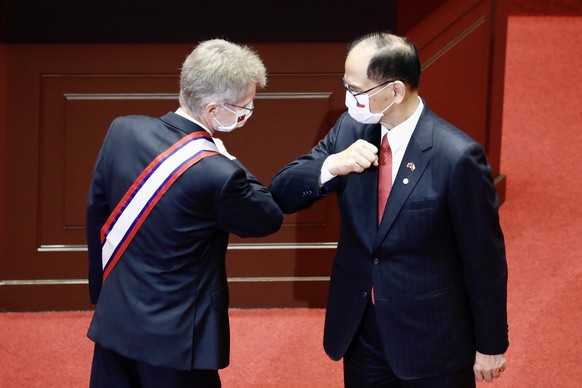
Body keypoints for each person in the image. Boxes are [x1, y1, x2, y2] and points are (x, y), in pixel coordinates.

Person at [269, 32, 508, 387]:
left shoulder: (457, 157)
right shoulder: (350, 131)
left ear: (395, 91)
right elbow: (282, 193)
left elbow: (484, 259)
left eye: (357, 91)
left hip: (433, 340)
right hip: (362, 330)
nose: (349, 99)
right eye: (346, 87)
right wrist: (331, 165)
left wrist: (491, 343)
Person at [85, 39, 283, 387]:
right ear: (213, 109)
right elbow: (267, 216)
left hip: (114, 321)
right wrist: (227, 157)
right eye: (244, 108)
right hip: (178, 342)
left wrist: (104, 298)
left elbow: (96, 218)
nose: (245, 115)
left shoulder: (122, 130)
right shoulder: (219, 173)